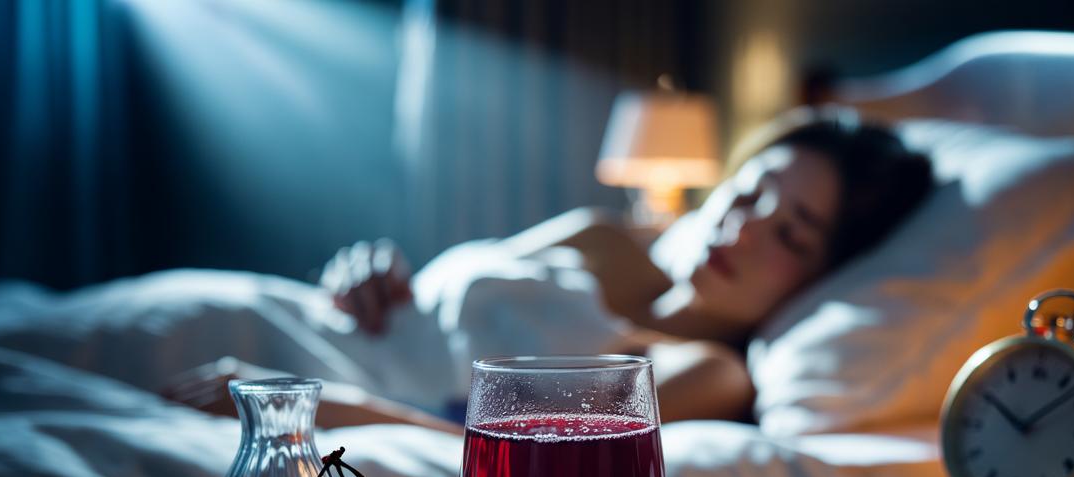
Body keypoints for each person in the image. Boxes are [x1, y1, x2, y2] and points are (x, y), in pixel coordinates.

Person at [168, 107, 933, 431]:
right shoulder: (599, 237)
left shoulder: (705, 372)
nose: (745, 226)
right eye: (752, 191)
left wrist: (311, 408)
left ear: (820, 281)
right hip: (271, 314)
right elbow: (432, 293)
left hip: (286, 389)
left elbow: (491, 437)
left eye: (792, 235)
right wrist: (367, 269)